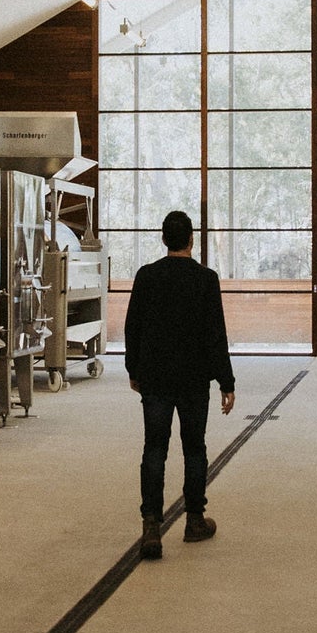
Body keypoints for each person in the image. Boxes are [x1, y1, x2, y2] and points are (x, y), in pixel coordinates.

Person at [123, 210, 236, 560]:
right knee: (194, 448)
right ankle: (194, 520)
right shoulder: (206, 279)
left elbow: (132, 328)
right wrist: (226, 382)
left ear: (163, 239)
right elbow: (216, 334)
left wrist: (134, 370)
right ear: (191, 239)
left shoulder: (146, 277)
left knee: (154, 449)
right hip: (193, 380)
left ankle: (151, 527)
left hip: (155, 378)